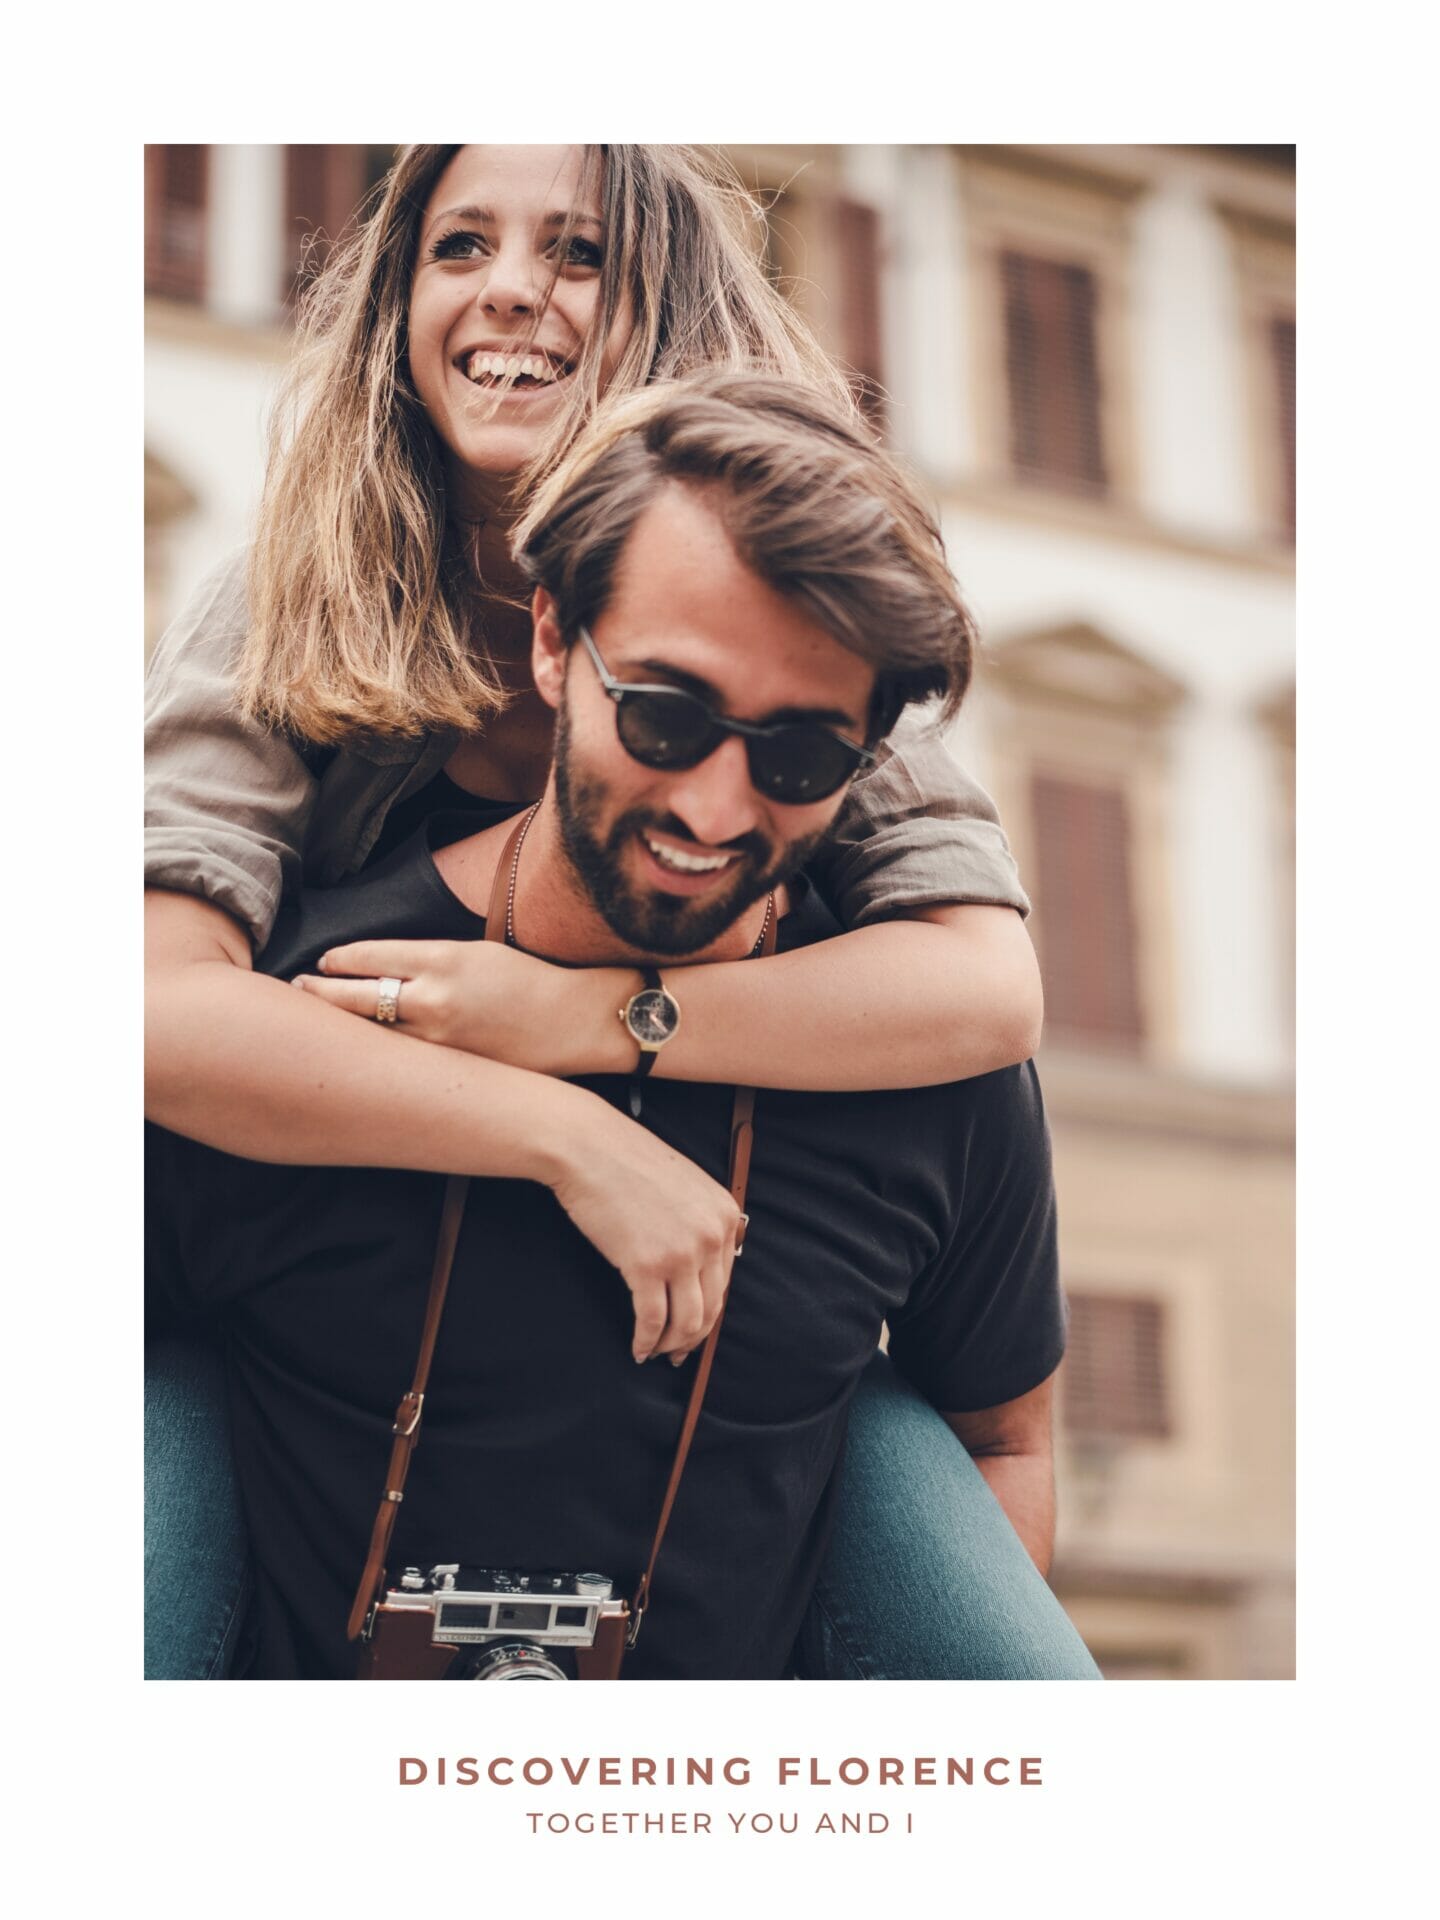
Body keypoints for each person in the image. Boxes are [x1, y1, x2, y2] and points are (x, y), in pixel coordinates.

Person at [144, 145, 1044, 1680]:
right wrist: (567, 1129)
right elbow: (145, 1007)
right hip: (317, 1195)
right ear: (559, 647)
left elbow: (986, 994)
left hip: (755, 1137)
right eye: (459, 246)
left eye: (576, 254)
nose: (509, 288)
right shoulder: (294, 587)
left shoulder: (789, 604)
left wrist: (583, 1023)